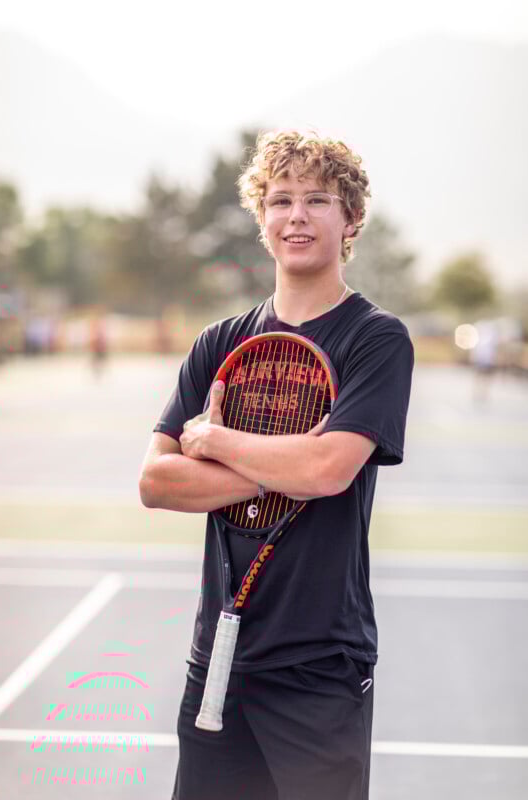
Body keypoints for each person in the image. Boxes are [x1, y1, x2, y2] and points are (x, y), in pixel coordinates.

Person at [139, 129, 414, 800]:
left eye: (318, 200)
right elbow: (156, 480)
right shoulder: (220, 343)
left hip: (321, 665)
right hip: (219, 657)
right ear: (262, 218)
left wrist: (215, 440)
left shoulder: (375, 339)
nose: (297, 216)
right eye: (281, 199)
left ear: (351, 218)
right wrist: (285, 463)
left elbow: (328, 471)